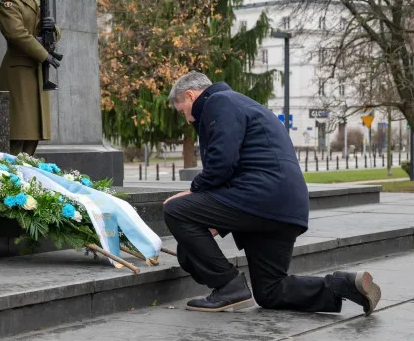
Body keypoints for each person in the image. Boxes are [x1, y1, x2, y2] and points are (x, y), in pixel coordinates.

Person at [163, 71, 381, 315]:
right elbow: (242, 167)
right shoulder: (239, 102)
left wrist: (193, 191)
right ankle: (342, 286)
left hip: (262, 198)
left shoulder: (218, 102)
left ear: (190, 95)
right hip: (282, 206)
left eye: (182, 110)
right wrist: (216, 221)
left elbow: (222, 164)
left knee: (175, 209)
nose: (186, 118)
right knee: (270, 291)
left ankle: (228, 286)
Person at [0, 0, 59, 156]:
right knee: (18, 130)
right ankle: (8, 180)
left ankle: (24, 177)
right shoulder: (9, 3)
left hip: (35, 70)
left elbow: (51, 33)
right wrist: (44, 54)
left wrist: (52, 29)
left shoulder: (35, 1)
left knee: (33, 131)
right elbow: (18, 35)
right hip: (19, 72)